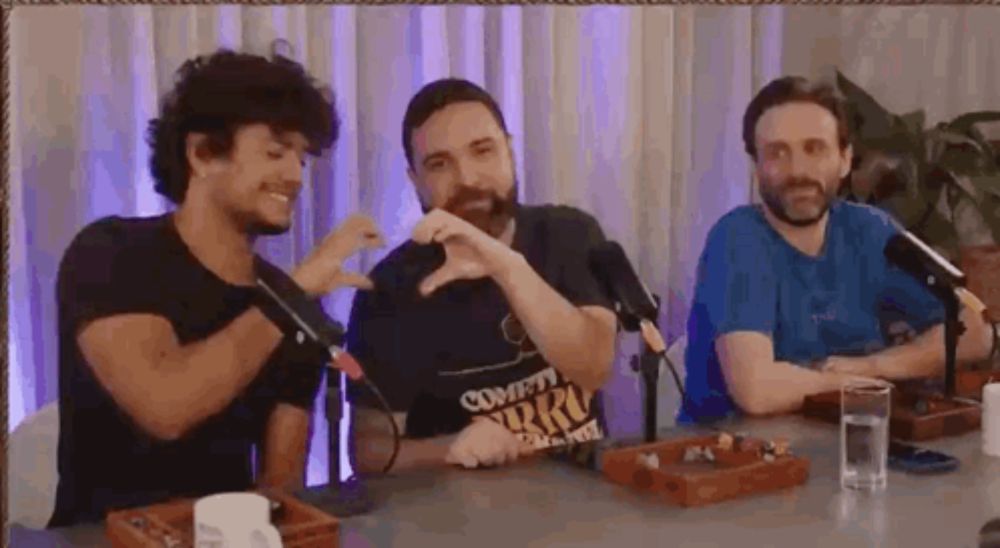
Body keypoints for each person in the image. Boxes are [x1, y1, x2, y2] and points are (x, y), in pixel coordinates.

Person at [48, 47, 383, 526]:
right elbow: (166, 406)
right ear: (202, 153)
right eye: (275, 151)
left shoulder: (292, 309)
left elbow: (276, 492)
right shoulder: (110, 253)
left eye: (302, 159)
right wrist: (290, 298)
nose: (294, 175)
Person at [679, 76, 994, 424]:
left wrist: (873, 366)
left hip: (855, 444)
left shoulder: (870, 229)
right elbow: (757, 390)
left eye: (814, 149)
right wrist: (868, 385)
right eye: (777, 153)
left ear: (845, 159)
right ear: (756, 168)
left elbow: (975, 332)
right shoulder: (737, 238)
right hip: (734, 460)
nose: (797, 171)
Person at [345, 78, 618, 473]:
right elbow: (369, 452)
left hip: (588, 498)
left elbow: (594, 367)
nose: (468, 178)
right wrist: (450, 448)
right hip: (462, 516)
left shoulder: (568, 234)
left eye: (483, 151)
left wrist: (506, 266)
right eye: (439, 164)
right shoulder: (389, 290)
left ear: (509, 150)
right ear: (415, 181)